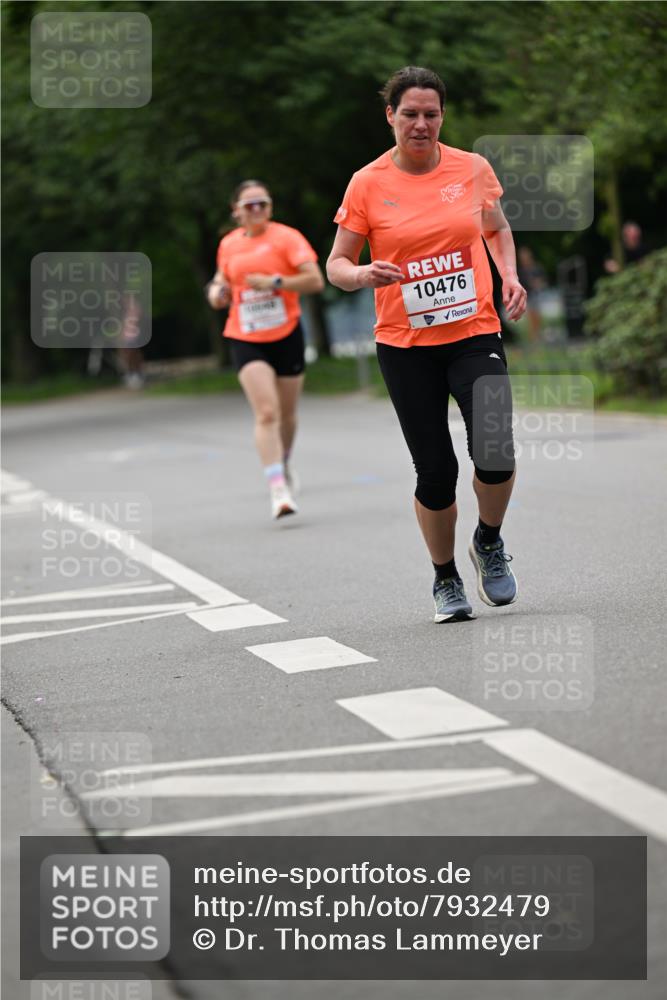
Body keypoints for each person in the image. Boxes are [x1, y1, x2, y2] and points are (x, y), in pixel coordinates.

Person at [327, 66, 526, 623]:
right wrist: (362, 275)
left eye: (431, 114)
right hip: (405, 344)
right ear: (390, 116)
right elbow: (336, 264)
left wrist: (507, 275)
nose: (421, 124)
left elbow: (496, 227)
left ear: (443, 117)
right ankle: (445, 578)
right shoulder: (367, 183)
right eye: (410, 114)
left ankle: (488, 539)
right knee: (435, 470)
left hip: (473, 331)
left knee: (494, 445)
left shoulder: (472, 168)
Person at [208, 180, 324, 518]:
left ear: (270, 207)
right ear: (237, 212)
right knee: (267, 412)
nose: (257, 209)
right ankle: (278, 489)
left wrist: (276, 282)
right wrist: (216, 293)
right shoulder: (228, 245)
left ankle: (283, 461)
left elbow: (315, 280)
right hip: (245, 335)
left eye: (263, 203)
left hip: (286, 333)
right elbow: (220, 281)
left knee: (287, 414)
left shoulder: (287, 238)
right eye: (250, 205)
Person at [517, 246, 547, 343]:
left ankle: (537, 338)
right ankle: (534, 340)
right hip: (527, 297)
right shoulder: (521, 271)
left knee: (537, 318)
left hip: (537, 295)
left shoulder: (537, 268)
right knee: (530, 319)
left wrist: (538, 284)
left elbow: (544, 282)